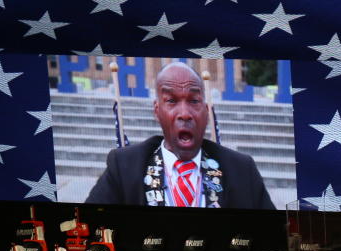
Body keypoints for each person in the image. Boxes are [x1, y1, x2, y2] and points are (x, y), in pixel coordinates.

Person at [86, 62, 275, 209]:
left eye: (194, 100)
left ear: (206, 111)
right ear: (157, 111)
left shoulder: (242, 170)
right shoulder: (124, 167)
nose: (184, 113)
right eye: (171, 101)